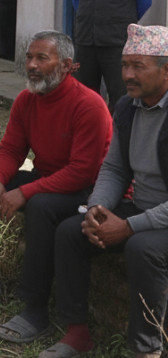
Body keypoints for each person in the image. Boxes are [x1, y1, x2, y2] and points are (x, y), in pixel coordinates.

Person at [0, 31, 111, 345]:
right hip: (48, 179)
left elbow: (83, 171)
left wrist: (25, 192)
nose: (31, 65)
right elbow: (11, 149)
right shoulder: (27, 100)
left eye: (42, 58)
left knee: (42, 206)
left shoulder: (90, 106)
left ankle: (35, 308)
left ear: (68, 65)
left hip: (85, 191)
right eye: (30, 57)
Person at [41, 24, 168, 358]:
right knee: (72, 230)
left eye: (138, 66)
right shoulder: (127, 106)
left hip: (159, 221)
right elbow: (114, 168)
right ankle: (77, 333)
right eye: (124, 65)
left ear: (166, 69)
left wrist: (127, 227)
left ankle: (146, 349)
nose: (126, 74)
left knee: (143, 248)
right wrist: (97, 209)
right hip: (141, 209)